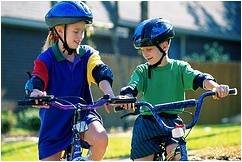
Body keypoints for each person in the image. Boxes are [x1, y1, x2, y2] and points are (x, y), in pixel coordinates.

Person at [119, 18, 230, 161]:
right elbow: (132, 86)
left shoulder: (180, 68)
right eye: (142, 50)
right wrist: (128, 96)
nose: (145, 54)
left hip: (172, 123)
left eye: (149, 49)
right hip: (147, 123)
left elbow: (199, 78)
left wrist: (216, 88)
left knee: (177, 154)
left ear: (164, 46)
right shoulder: (142, 71)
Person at [24, 1, 114, 160]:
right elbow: (38, 78)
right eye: (76, 31)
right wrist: (36, 92)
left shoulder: (87, 55)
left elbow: (99, 71)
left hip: (82, 116)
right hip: (54, 124)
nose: (80, 37)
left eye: (83, 31)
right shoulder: (46, 59)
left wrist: (108, 93)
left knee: (101, 138)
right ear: (60, 30)